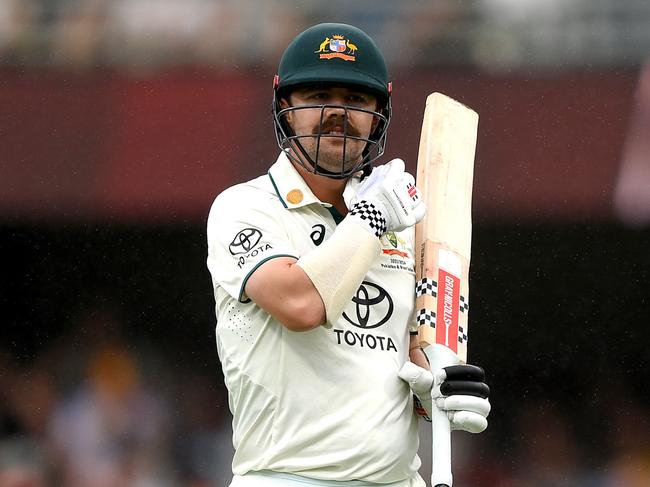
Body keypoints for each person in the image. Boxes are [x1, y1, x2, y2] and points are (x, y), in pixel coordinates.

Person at [206, 22, 490, 487]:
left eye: (357, 101)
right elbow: (301, 304)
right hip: (284, 477)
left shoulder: (407, 220)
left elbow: (412, 357)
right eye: (318, 95)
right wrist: (371, 219)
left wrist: (439, 390)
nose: (337, 113)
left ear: (380, 113)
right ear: (285, 108)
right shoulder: (246, 206)